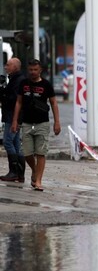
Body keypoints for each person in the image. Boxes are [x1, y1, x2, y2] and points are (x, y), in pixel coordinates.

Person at [11, 59, 61, 191]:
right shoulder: (24, 84)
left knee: (41, 153)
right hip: (27, 123)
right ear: (28, 70)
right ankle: (34, 170)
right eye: (30, 70)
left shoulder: (46, 85)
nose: (33, 72)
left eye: (35, 70)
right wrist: (15, 121)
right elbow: (19, 103)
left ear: (40, 70)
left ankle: (38, 180)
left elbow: (54, 103)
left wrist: (57, 122)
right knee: (27, 153)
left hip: (42, 124)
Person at [0, 58, 27, 182]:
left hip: (13, 116)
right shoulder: (15, 79)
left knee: (8, 142)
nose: (6, 67)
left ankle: (14, 172)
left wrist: (3, 94)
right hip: (13, 115)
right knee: (16, 144)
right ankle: (20, 173)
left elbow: (15, 100)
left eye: (8, 65)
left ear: (15, 67)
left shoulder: (18, 80)